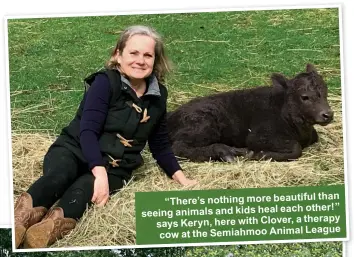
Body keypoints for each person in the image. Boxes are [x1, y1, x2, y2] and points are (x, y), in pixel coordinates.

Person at [14, 25, 197, 249]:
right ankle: (17, 223)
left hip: (116, 167)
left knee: (82, 192)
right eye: (134, 53)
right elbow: (88, 131)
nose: (141, 60)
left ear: (155, 61)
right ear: (117, 55)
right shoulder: (105, 82)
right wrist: (98, 171)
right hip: (74, 150)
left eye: (148, 55)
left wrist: (180, 177)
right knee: (59, 176)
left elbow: (159, 144)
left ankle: (45, 232)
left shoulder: (158, 96)